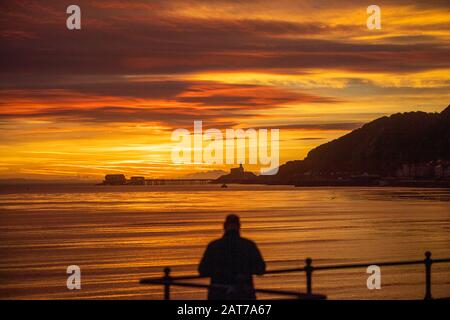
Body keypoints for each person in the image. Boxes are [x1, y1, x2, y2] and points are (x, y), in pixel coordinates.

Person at [198, 214, 266, 300]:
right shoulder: (249, 245)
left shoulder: (214, 246)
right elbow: (260, 270)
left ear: (224, 226)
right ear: (239, 227)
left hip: (218, 294)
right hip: (244, 294)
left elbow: (202, 271)